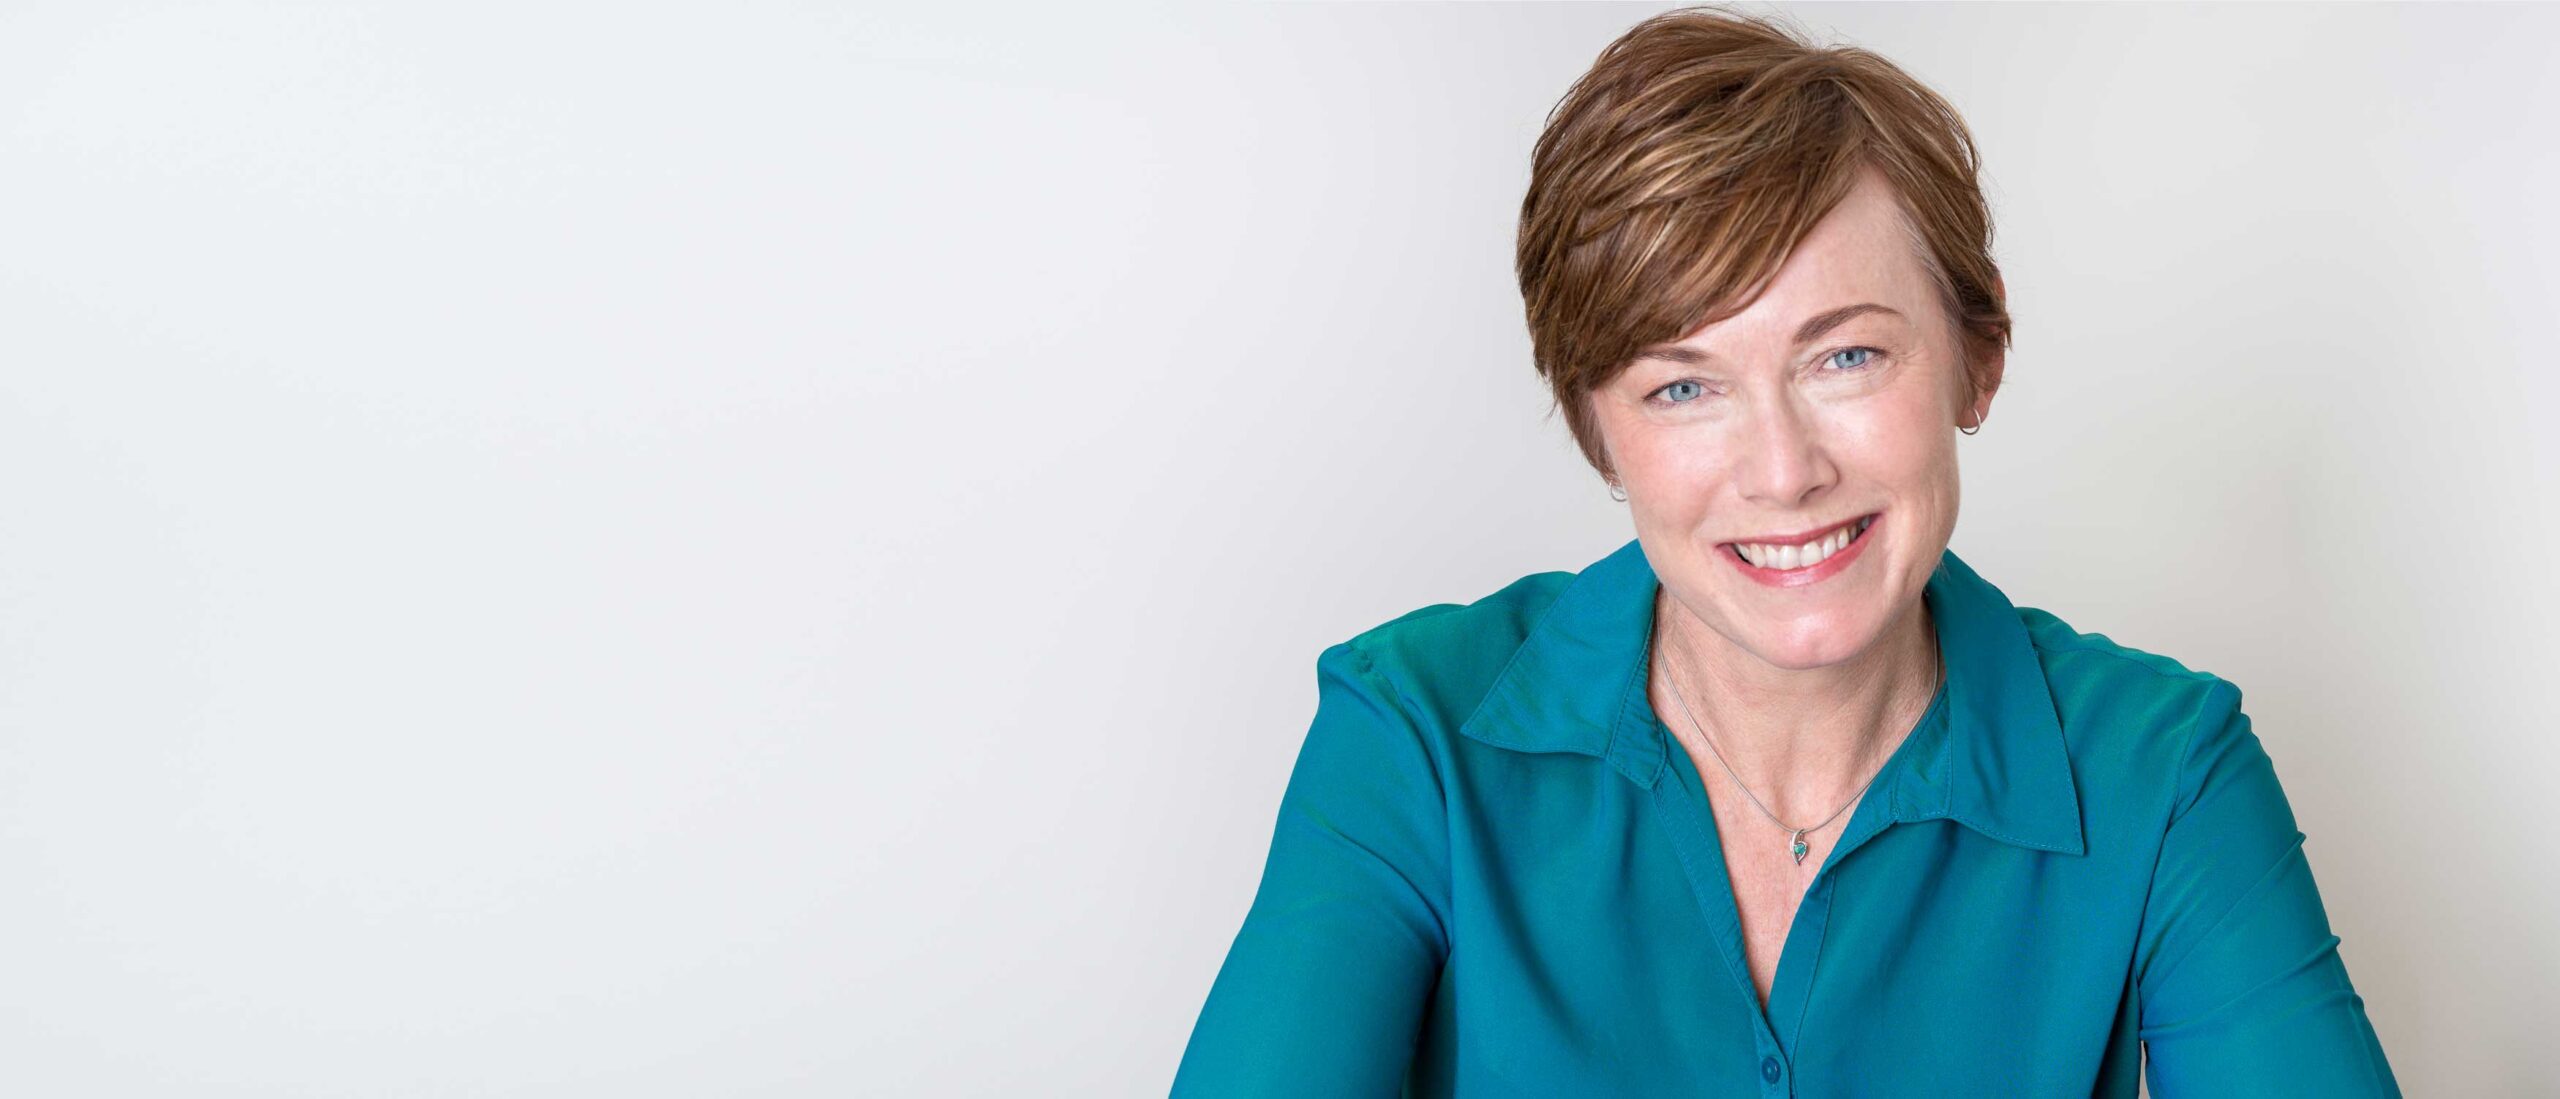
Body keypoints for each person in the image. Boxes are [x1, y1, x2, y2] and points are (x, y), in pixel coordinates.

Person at [1171, 5, 2400, 1096]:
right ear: (1596, 429)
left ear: (1979, 356)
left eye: (1844, 356)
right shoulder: (1414, 735)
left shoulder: (2166, 771)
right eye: (1680, 388)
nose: (1781, 468)